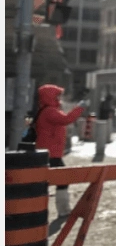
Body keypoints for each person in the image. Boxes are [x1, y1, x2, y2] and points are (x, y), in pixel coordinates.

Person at [35, 84, 89, 218]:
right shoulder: (50, 111)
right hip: (51, 153)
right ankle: (62, 209)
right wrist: (79, 108)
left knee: (47, 181)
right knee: (62, 179)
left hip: (49, 152)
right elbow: (66, 119)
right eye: (57, 95)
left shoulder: (48, 110)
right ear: (50, 97)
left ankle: (47, 208)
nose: (60, 98)